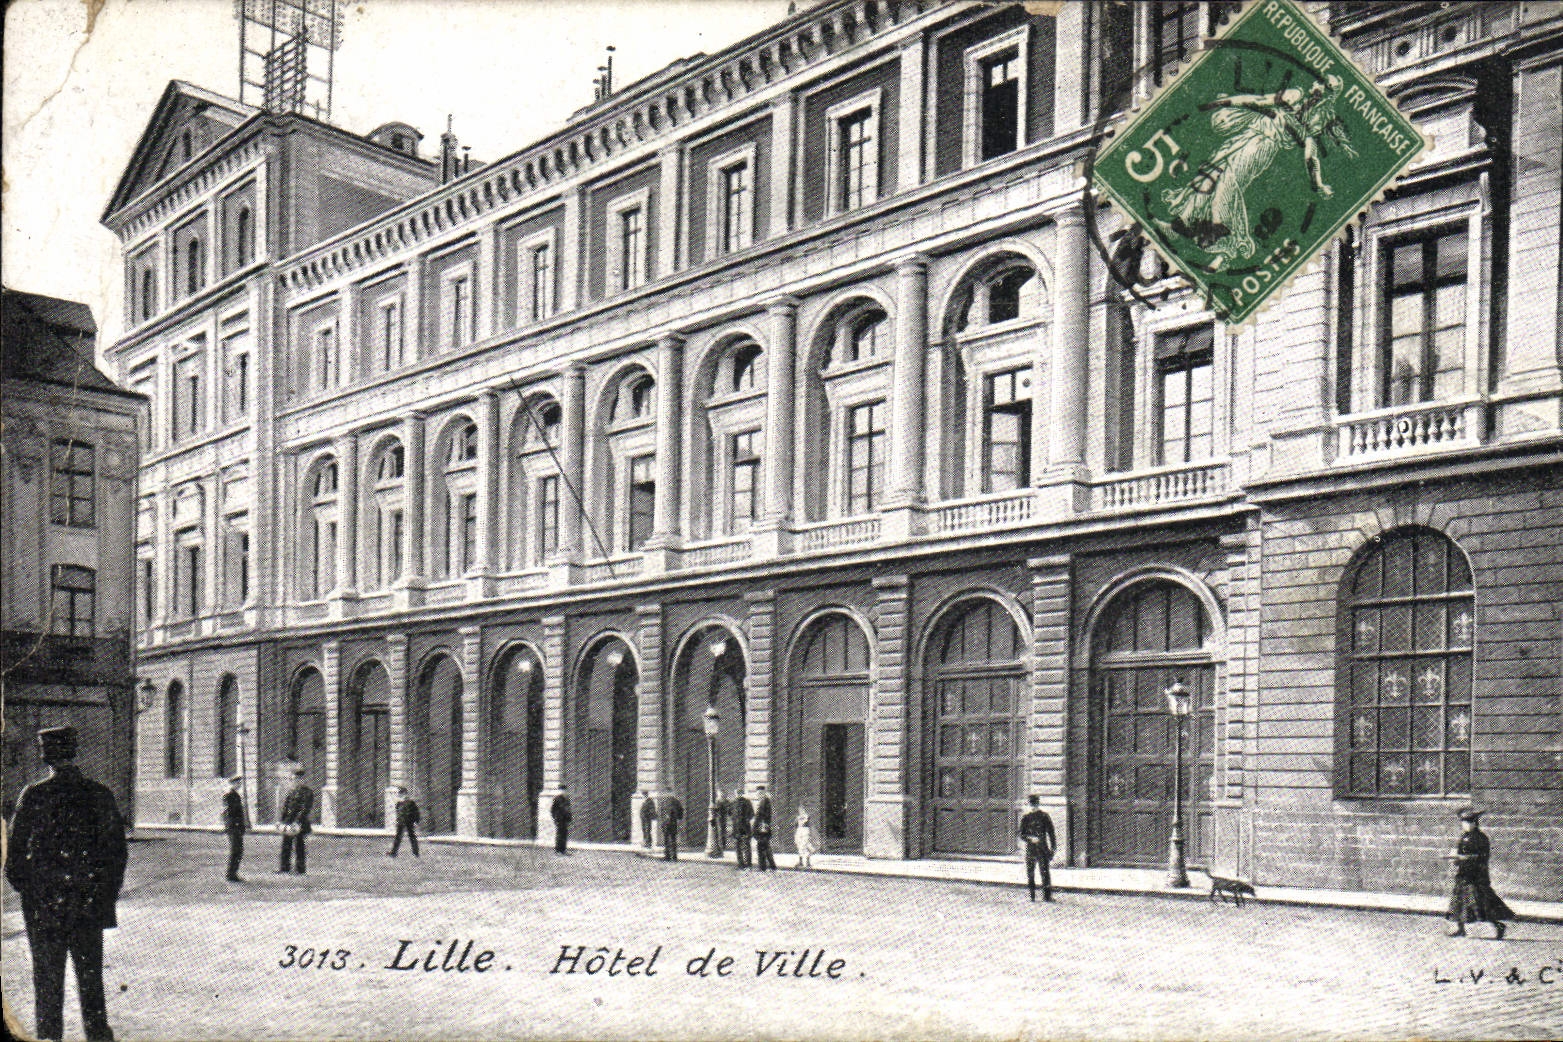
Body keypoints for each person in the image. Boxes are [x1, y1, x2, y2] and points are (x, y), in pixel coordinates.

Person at [6, 726, 127, 1042]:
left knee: (47, 987)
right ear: (74, 752)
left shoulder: (34, 795)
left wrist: (35, 895)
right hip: (88, 907)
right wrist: (102, 898)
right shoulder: (98, 794)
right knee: (91, 986)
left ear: (45, 755)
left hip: (44, 911)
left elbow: (14, 861)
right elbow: (116, 856)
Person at [1445, 807, 1513, 939]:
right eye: (1464, 822)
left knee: (1479, 903)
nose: (1466, 825)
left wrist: (1465, 858)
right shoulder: (1464, 837)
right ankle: (1461, 929)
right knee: (1459, 901)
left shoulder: (1481, 838)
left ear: (1475, 823)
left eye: (1469, 822)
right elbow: (1458, 852)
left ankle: (1498, 925)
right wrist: (1455, 858)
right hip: (1463, 874)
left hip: (1476, 876)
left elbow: (1483, 856)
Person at [1018, 795, 1057, 903]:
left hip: (1042, 849)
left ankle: (1047, 896)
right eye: (1032, 804)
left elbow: (1051, 832)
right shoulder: (1026, 817)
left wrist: (1053, 848)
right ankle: (1032, 896)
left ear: (1038, 804)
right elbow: (1021, 834)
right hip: (1031, 849)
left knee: (1044, 872)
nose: (1033, 806)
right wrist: (1030, 839)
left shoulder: (1044, 816)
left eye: (1034, 804)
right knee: (1031, 872)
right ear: (1029, 804)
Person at [277, 768, 314, 875]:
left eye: (297, 779)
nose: (295, 781)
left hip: (299, 823)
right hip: (288, 822)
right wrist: (282, 821)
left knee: (299, 846)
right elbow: (285, 807)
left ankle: (300, 869)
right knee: (286, 845)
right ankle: (284, 867)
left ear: (302, 779)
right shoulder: (291, 792)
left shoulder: (307, 792)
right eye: (293, 779)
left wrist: (297, 821)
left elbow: (305, 808)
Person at [222, 775, 249, 882]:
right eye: (237, 783)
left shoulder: (235, 795)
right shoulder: (229, 796)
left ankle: (232, 873)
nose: (239, 785)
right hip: (233, 827)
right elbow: (228, 813)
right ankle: (231, 874)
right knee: (236, 850)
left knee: (238, 850)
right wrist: (234, 826)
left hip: (236, 827)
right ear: (232, 784)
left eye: (240, 783)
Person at [389, 787, 421, 858]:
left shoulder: (411, 803)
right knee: (398, 837)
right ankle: (393, 852)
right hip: (401, 822)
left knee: (412, 836)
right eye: (400, 794)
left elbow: (416, 812)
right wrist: (397, 821)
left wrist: (416, 821)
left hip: (409, 821)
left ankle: (416, 853)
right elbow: (398, 813)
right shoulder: (398, 804)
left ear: (406, 794)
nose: (400, 795)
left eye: (402, 793)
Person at [753, 785, 776, 871]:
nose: (758, 795)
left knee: (761, 847)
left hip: (762, 827)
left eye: (760, 793)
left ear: (763, 793)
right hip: (763, 827)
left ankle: (763, 867)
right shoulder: (764, 801)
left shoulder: (764, 801)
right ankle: (771, 866)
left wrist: (759, 826)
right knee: (765, 847)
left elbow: (763, 816)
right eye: (757, 793)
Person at [731, 789, 754, 870]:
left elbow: (752, 814)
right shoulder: (733, 803)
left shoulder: (747, 802)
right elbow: (730, 813)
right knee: (737, 847)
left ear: (742, 794)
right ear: (735, 794)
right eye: (737, 793)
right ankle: (740, 864)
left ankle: (748, 864)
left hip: (745, 828)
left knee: (746, 846)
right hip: (736, 828)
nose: (738, 795)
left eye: (740, 793)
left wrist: (745, 820)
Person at [659, 792, 685, 861]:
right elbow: (681, 812)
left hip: (666, 823)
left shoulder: (664, 802)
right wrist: (679, 818)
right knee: (673, 840)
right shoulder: (676, 802)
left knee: (667, 840)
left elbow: (661, 813)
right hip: (673, 823)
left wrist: (663, 821)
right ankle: (673, 856)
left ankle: (667, 856)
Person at [793, 805, 818, 870]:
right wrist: (796, 835)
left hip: (805, 832)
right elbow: (796, 826)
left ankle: (807, 862)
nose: (801, 811)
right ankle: (801, 862)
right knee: (800, 847)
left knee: (806, 846)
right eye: (800, 810)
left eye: (802, 809)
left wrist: (810, 834)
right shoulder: (798, 818)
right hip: (799, 832)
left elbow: (810, 826)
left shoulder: (807, 817)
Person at [551, 784, 572, 855]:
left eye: (564, 790)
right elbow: (553, 810)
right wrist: (555, 818)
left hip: (565, 819)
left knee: (564, 834)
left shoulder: (567, 798)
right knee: (559, 835)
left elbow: (568, 809)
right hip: (559, 819)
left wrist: (569, 817)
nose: (563, 791)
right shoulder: (557, 799)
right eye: (562, 790)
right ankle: (558, 850)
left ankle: (563, 850)